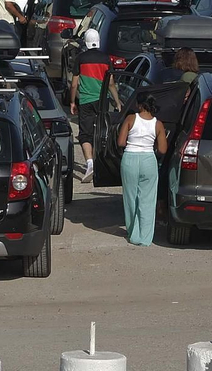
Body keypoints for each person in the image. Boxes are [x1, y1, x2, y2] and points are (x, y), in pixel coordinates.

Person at [117, 93, 167, 246]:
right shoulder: (158, 124)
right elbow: (163, 150)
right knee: (147, 199)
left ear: (139, 105)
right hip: (148, 160)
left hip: (130, 159)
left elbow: (121, 142)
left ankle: (134, 234)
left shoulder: (131, 119)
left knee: (130, 198)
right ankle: (145, 238)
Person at [69, 28, 108, 182]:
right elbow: (110, 82)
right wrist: (117, 101)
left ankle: (89, 163)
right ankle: (101, 162)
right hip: (102, 100)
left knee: (85, 133)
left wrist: (72, 101)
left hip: (85, 101)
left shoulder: (81, 58)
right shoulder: (105, 59)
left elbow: (74, 84)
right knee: (102, 131)